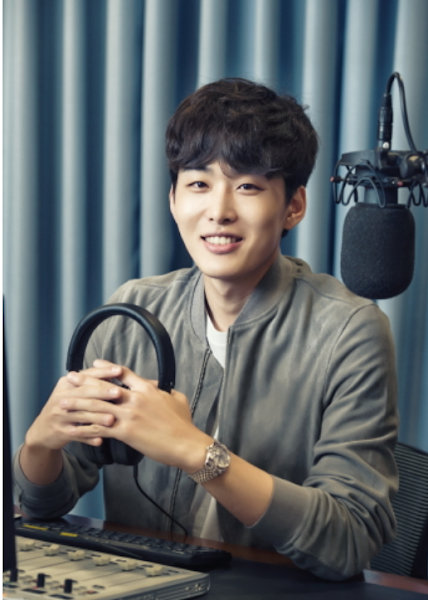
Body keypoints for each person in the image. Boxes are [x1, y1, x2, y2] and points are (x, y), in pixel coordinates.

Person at [13, 78, 398, 581]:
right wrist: (40, 446)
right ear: (173, 199)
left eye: (248, 186)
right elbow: (43, 504)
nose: (219, 211)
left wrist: (195, 452)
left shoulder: (350, 331)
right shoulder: (133, 311)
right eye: (198, 184)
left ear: (294, 206)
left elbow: (349, 540)